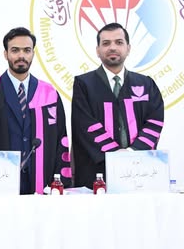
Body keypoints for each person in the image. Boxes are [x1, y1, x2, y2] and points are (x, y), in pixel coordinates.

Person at [0, 27, 71, 194]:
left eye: (27, 50)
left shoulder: (49, 94)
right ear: (6, 54)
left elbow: (61, 140)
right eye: (15, 50)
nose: (21, 56)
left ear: (33, 54)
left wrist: (60, 183)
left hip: (42, 181)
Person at [71, 22, 165, 187]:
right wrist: (115, 154)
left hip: (139, 170)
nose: (112, 47)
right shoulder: (84, 84)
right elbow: (84, 125)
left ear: (128, 48)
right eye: (106, 43)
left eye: (119, 42)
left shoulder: (146, 84)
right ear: (98, 50)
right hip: (96, 172)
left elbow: (154, 122)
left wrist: (132, 152)